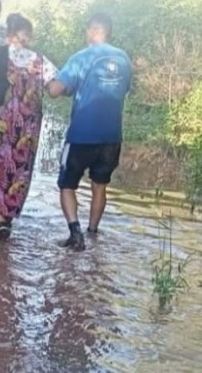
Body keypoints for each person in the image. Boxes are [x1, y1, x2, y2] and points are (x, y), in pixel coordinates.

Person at [0, 13, 58, 240]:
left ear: (8, 34)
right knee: (15, 169)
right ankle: (4, 217)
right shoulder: (40, 60)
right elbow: (54, 89)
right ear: (28, 35)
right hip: (24, 127)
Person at [47, 13, 132, 251]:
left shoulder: (81, 57)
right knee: (100, 186)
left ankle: (75, 233)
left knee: (67, 184)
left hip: (81, 135)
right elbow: (123, 89)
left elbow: (55, 89)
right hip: (112, 136)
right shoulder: (124, 59)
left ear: (93, 31)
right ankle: (93, 232)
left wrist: (50, 82)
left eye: (88, 31)